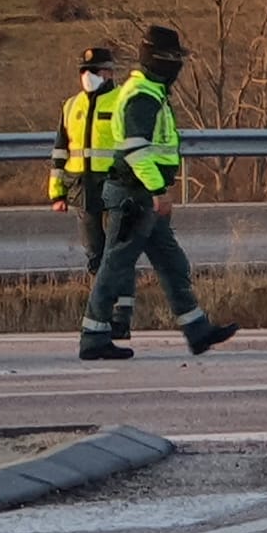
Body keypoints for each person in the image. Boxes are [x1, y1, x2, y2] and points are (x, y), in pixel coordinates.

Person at [79, 24, 239, 362]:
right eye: (173, 59)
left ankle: (197, 330)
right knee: (115, 265)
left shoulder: (150, 91)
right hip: (134, 195)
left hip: (140, 195)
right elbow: (136, 149)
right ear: (160, 60)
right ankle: (94, 336)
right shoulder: (142, 95)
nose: (178, 66)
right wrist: (158, 190)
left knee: (171, 262)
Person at [49, 45, 122, 326]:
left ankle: (116, 312)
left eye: (94, 70)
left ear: (108, 73)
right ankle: (101, 312)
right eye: (84, 70)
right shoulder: (71, 106)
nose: (88, 75)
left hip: (115, 186)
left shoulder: (120, 101)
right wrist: (58, 193)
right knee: (95, 252)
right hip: (83, 188)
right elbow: (60, 151)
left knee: (117, 252)